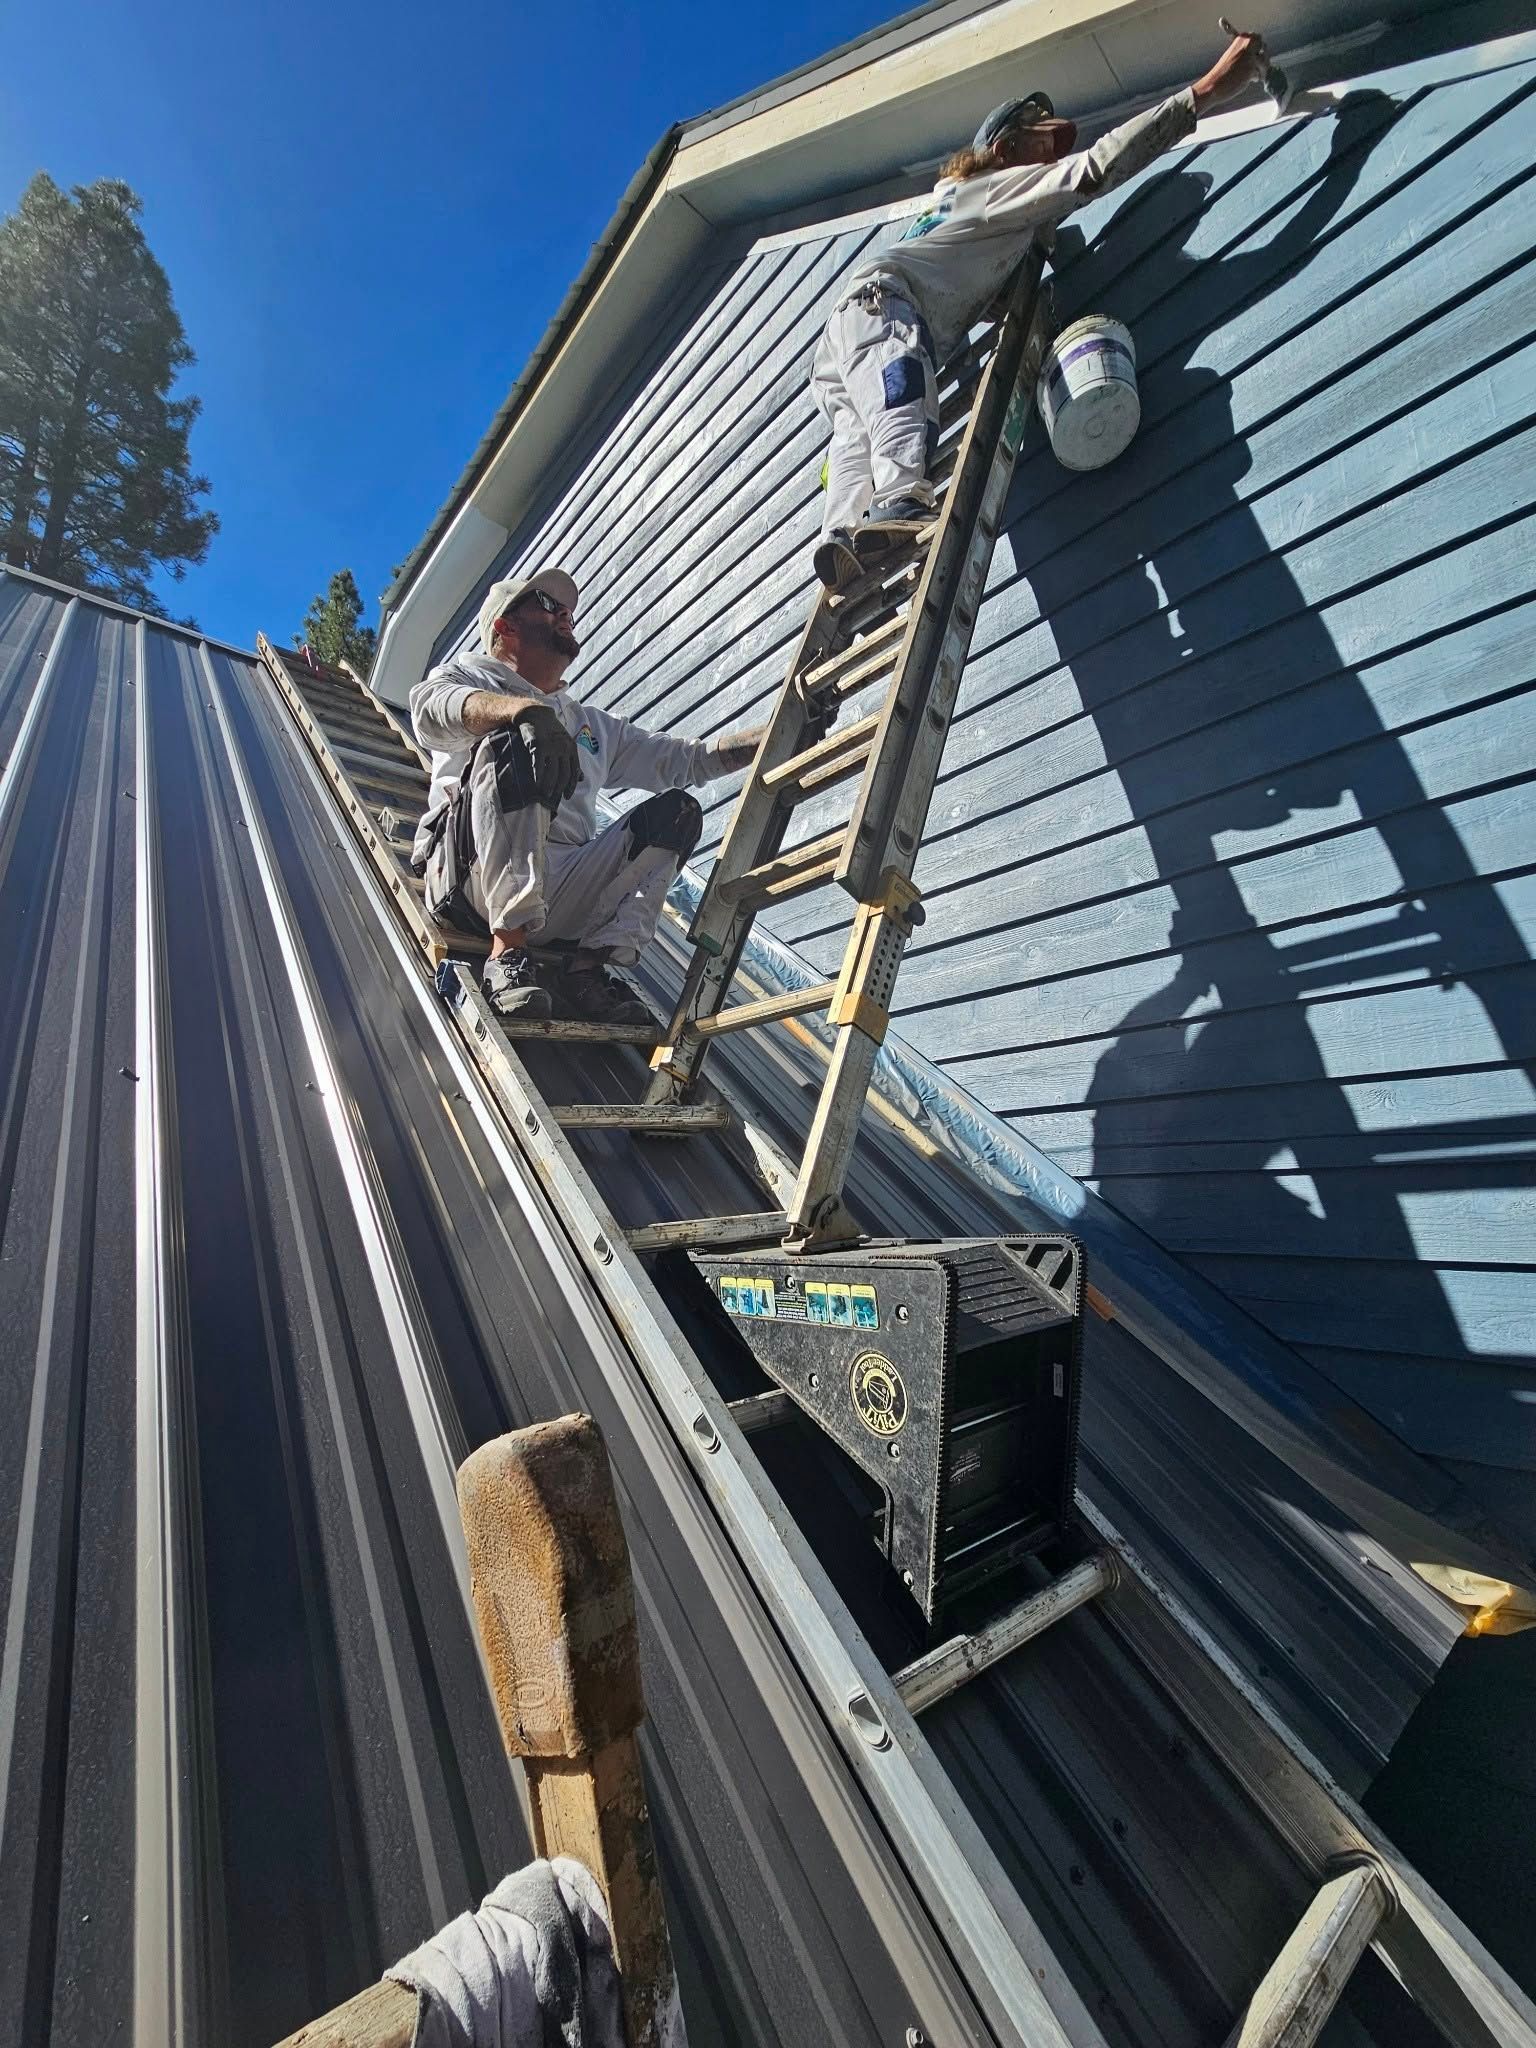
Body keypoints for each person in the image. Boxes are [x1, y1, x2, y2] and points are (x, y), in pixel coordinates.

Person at [808, 29, 1271, 590]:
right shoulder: (994, 189)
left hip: (845, 330)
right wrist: (1206, 90)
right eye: (1043, 145)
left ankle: (841, 536)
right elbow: (1095, 168)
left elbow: (974, 283)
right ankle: (901, 498)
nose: (1053, 159)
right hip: (886, 309)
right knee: (901, 388)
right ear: (1004, 151)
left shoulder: (955, 211)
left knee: (855, 436)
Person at [410, 569, 764, 1023]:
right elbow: (428, 712)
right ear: (505, 626)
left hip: (558, 898)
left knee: (677, 813)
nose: (564, 615)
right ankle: (507, 953)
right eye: (547, 604)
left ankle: (587, 969)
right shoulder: (464, 678)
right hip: (470, 882)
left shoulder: (589, 724)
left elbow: (686, 760)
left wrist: (770, 738)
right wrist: (524, 712)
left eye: (569, 611)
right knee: (518, 740)